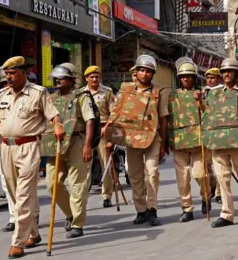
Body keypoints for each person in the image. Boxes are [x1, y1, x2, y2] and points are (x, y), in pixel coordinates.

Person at [0, 56, 65, 259]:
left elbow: (53, 115)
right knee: (15, 194)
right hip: (6, 148)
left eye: (13, 73)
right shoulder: (1, 95)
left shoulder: (38, 93)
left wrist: (58, 125)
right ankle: (33, 234)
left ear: (24, 73)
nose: (8, 77)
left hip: (28, 147)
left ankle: (17, 243)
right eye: (6, 74)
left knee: (24, 195)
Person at [104, 55, 168, 226]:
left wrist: (164, 143)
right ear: (136, 71)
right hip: (131, 138)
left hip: (153, 137)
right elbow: (115, 114)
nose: (145, 74)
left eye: (148, 71)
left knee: (152, 173)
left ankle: (152, 209)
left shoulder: (158, 92)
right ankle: (141, 210)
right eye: (142, 70)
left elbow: (163, 119)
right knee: (135, 175)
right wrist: (109, 137)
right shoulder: (125, 89)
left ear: (152, 74)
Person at [197, 57, 238, 228]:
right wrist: (199, 103)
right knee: (222, 178)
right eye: (224, 72)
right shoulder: (214, 94)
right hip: (219, 142)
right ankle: (227, 214)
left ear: (236, 74)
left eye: (229, 71)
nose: (226, 74)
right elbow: (207, 116)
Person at [42, 63, 95, 238]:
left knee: (77, 184)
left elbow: (89, 121)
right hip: (56, 144)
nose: (58, 80)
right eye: (56, 77)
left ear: (72, 79)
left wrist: (87, 145)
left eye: (62, 77)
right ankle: (70, 214)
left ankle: (77, 224)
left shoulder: (82, 96)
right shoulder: (50, 98)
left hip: (77, 142)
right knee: (52, 184)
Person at [167, 60, 215, 222]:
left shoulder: (204, 93)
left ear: (194, 77)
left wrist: (200, 101)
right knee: (182, 178)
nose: (185, 79)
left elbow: (210, 114)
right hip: (179, 141)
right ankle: (186, 208)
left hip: (199, 141)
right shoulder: (172, 96)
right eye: (182, 77)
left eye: (188, 76)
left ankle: (206, 196)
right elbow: (168, 118)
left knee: (200, 174)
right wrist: (167, 139)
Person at [80, 65, 115, 208]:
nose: (94, 79)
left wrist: (106, 128)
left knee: (105, 163)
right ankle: (82, 196)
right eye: (91, 77)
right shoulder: (80, 93)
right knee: (84, 165)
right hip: (87, 133)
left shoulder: (107, 92)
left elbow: (113, 113)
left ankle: (107, 195)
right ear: (86, 78)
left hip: (103, 131)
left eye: (97, 76)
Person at [203, 68, 223, 204]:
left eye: (213, 78)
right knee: (206, 168)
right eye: (208, 78)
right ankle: (212, 187)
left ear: (219, 79)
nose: (210, 80)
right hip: (205, 133)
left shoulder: (222, 92)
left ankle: (219, 193)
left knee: (219, 167)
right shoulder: (203, 92)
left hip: (218, 132)